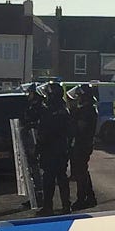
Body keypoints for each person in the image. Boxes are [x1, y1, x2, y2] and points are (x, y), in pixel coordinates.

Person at [35, 82, 73, 215]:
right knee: (62, 178)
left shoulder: (51, 111)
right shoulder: (64, 109)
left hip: (51, 150)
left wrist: (38, 147)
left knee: (49, 180)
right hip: (61, 149)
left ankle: (48, 207)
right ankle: (66, 205)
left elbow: (45, 132)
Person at [68, 84, 98, 210]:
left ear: (84, 97)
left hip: (83, 144)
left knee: (80, 173)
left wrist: (73, 115)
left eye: (79, 96)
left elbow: (80, 128)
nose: (78, 98)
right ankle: (90, 197)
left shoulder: (87, 111)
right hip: (84, 143)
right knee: (83, 172)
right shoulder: (87, 109)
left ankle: (81, 199)